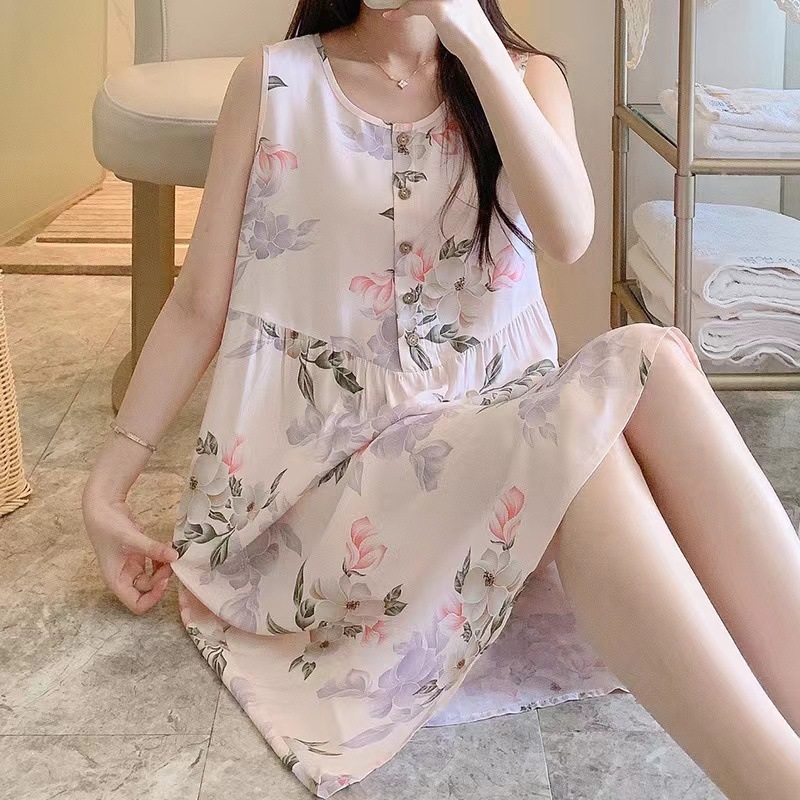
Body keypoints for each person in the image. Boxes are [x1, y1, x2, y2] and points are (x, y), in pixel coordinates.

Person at [81, 1, 800, 797]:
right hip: (333, 491)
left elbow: (569, 235)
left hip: (489, 450)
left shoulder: (524, 78)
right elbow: (196, 306)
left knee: (656, 363)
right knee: (576, 439)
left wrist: (472, 43)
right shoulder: (278, 83)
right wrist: (106, 489)